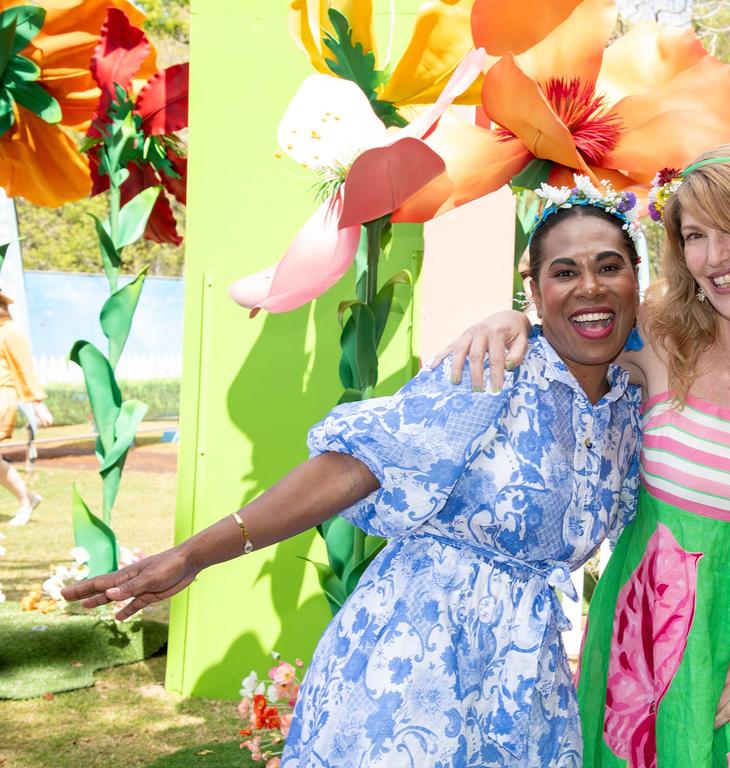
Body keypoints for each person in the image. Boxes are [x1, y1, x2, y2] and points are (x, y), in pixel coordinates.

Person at [64, 179, 646, 767]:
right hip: (419, 653)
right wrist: (195, 554)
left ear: (636, 281)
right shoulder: (494, 367)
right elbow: (356, 468)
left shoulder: (630, 407)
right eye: (565, 272)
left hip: (524, 676)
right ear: (536, 292)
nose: (589, 286)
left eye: (609, 266)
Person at [435, 144, 730, 767]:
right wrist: (504, 321)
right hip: (644, 646)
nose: (714, 256)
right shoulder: (661, 339)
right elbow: (572, 323)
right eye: (696, 234)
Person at [0, 289, 52, 525]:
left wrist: (37, 403)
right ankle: (27, 499)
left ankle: (27, 500)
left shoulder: (9, 332)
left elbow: (24, 368)